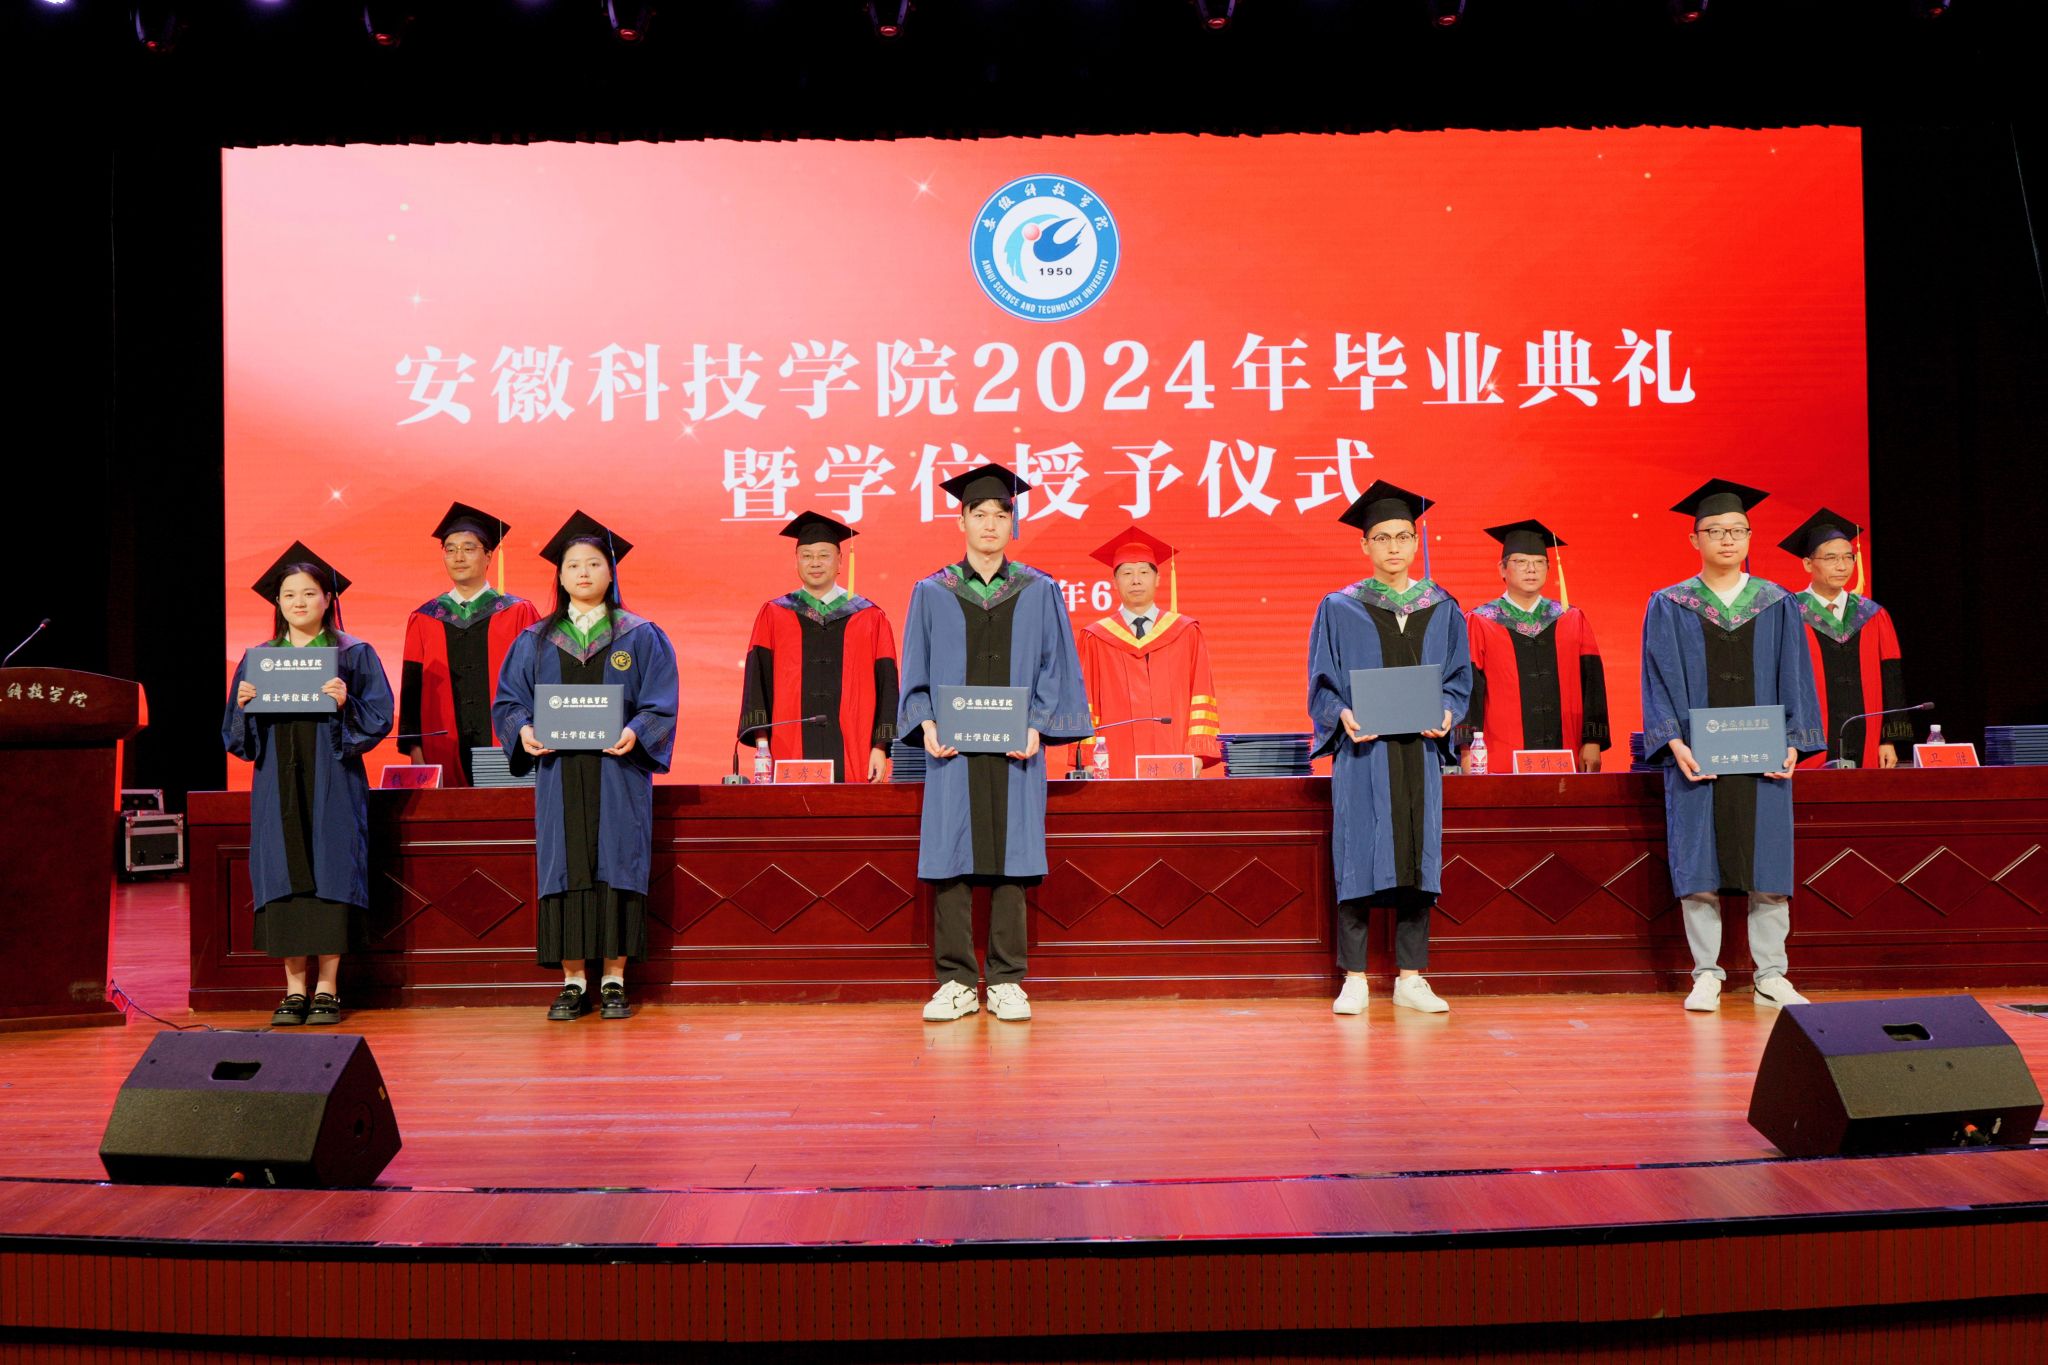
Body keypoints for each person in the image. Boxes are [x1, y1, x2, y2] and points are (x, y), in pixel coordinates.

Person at [898, 463, 1092, 1023]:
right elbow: (916, 670)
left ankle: (1007, 980)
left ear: (1013, 523)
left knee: (1014, 859)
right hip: (951, 753)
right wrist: (926, 725)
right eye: (979, 514)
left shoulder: (1039, 590)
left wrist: (1037, 725)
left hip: (1017, 749)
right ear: (960, 521)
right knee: (951, 857)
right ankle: (956, 982)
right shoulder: (932, 592)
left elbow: (1056, 667)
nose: (989, 524)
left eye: (1000, 515)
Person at [1641, 479, 1826, 1012]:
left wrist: (1794, 743)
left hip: (1764, 756)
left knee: (1768, 865)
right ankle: (1706, 973)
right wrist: (1673, 742)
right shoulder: (1670, 604)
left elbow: (1796, 675)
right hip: (1697, 757)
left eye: (1737, 530)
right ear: (1694, 539)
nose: (1727, 539)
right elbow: (1657, 679)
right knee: (1699, 865)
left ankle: (1772, 974)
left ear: (1749, 537)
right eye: (1715, 531)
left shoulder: (1777, 602)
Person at [493, 511, 678, 1022]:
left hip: (619, 773)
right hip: (558, 775)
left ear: (610, 572)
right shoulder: (535, 639)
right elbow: (509, 702)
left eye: (594, 563)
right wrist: (523, 730)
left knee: (618, 862)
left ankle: (615, 979)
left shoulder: (640, 635)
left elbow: (660, 702)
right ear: (559, 574)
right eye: (573, 564)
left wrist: (636, 731)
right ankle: (573, 981)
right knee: (564, 866)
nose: (583, 572)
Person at [1307, 480, 1471, 1016]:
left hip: (1419, 754)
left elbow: (1458, 679)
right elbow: (1322, 683)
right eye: (1382, 537)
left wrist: (1448, 712)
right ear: (1365, 545)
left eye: (1403, 536)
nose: (1394, 547)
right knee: (1358, 855)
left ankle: (1411, 977)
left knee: (1418, 861)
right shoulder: (1340, 607)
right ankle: (1354, 978)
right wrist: (1342, 715)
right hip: (1363, 754)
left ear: (1416, 541)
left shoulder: (1442, 606)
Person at [223, 542, 393, 1027]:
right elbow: (234, 737)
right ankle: (294, 989)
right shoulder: (259, 659)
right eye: (289, 595)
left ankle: (327, 988)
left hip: (333, 778)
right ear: (277, 603)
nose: (298, 602)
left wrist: (346, 703)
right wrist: (244, 706)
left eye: (309, 593)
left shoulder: (352, 654)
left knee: (331, 868)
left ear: (327, 599)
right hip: (276, 780)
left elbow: (379, 716)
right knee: (284, 872)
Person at [738, 510, 899, 782]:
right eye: (807, 556)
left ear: (840, 561)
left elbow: (887, 685)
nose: (815, 563)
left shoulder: (870, 617)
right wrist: (763, 746)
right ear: (796, 561)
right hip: (788, 749)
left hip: (855, 749)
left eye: (824, 555)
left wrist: (880, 747)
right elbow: (757, 683)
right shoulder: (774, 614)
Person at [399, 502, 540, 785]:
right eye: (450, 549)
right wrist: (415, 748)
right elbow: (411, 690)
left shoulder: (519, 613)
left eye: (468, 548)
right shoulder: (425, 618)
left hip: (509, 742)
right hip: (441, 746)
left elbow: (538, 680)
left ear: (488, 556)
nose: (458, 557)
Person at [1459, 519, 1608, 772]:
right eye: (1521, 562)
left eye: (1539, 562)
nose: (1531, 570)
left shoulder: (1571, 618)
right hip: (1500, 754)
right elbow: (1469, 691)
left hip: (1567, 750)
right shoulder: (1480, 621)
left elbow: (1592, 685)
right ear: (1502, 569)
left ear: (1548, 569)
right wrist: (1467, 749)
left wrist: (1593, 740)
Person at [1075, 525, 1222, 779]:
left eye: (1144, 572)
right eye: (1126, 573)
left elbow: (1201, 693)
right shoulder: (1096, 637)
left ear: (1158, 579)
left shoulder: (1186, 632)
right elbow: (1084, 701)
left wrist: (1198, 752)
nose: (1136, 580)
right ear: (1115, 582)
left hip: (1174, 757)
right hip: (1113, 760)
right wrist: (1089, 757)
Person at [1777, 508, 1911, 770]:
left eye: (1848, 557)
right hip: (1805, 743)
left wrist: (1888, 740)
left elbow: (1891, 679)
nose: (1842, 566)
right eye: (1831, 558)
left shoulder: (1872, 615)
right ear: (1808, 564)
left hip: (1868, 740)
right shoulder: (1788, 612)